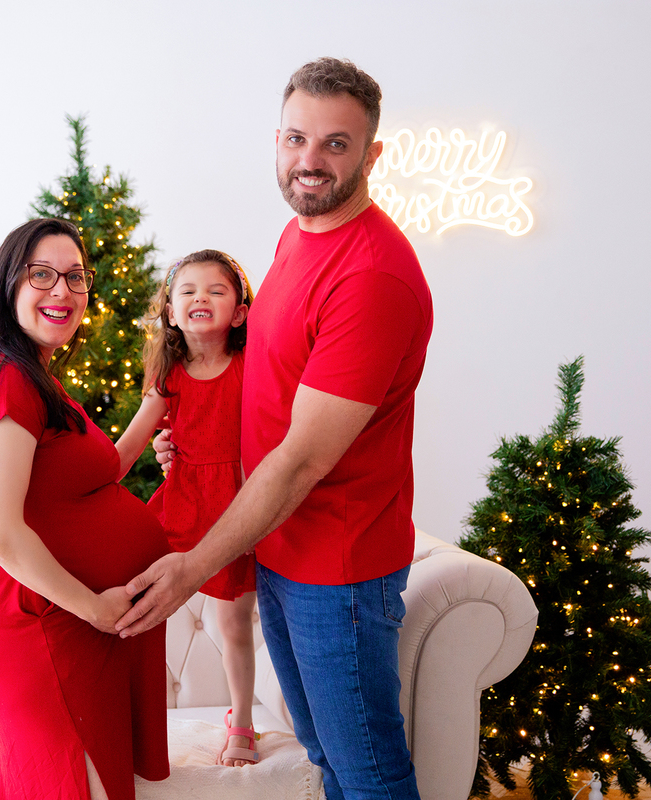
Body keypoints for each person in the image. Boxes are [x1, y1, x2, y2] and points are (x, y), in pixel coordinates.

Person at [115, 57, 433, 800]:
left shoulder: (371, 277)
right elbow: (264, 386)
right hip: (281, 549)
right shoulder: (299, 234)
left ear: (372, 155)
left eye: (335, 144)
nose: (309, 161)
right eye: (296, 138)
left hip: (338, 567)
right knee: (325, 755)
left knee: (369, 773)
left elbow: (300, 460)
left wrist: (192, 567)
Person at [0, 218, 170, 800]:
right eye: (42, 275)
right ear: (8, 284)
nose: (63, 291)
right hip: (39, 627)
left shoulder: (34, 377)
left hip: (68, 623)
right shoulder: (3, 380)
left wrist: (157, 404)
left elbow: (101, 473)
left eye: (75, 277)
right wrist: (95, 609)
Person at [114, 249, 260, 768]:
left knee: (233, 624)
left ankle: (242, 722)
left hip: (239, 510)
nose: (202, 298)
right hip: (183, 503)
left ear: (239, 313)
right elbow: (130, 445)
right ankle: (124, 717)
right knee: (132, 599)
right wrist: (84, 485)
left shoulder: (252, 366)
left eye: (216, 291)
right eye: (188, 291)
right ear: (171, 312)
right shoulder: (169, 376)